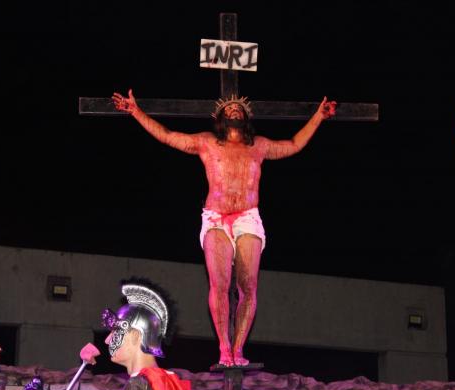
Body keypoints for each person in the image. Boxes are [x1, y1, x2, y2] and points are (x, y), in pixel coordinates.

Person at [112, 90, 337, 366]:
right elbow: (169, 135)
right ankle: (224, 349)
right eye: (228, 110)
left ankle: (238, 350)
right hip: (216, 217)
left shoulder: (260, 146)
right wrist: (136, 112)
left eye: (238, 110)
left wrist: (318, 117)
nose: (234, 112)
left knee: (249, 286)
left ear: (246, 119)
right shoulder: (208, 143)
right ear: (219, 118)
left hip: (247, 217)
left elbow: (293, 144)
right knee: (220, 284)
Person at [101, 281, 191, 390]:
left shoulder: (138, 386)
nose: (107, 340)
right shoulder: (167, 383)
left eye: (115, 331)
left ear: (135, 336)